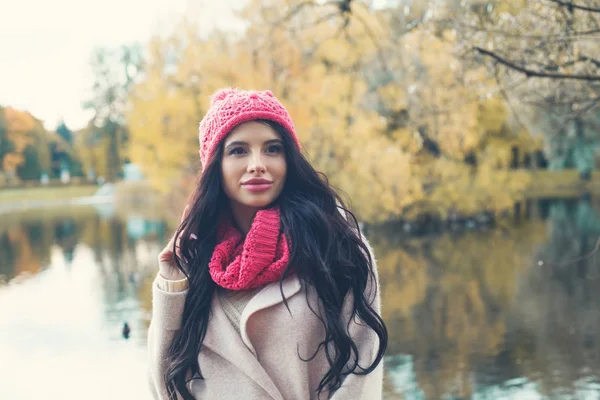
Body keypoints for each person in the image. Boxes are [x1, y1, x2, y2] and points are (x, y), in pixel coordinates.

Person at [147, 88, 388, 400]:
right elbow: (163, 387)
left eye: (272, 149)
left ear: (290, 160)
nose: (257, 164)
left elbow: (362, 374)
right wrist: (171, 283)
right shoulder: (191, 260)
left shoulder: (336, 244)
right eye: (238, 151)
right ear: (214, 166)